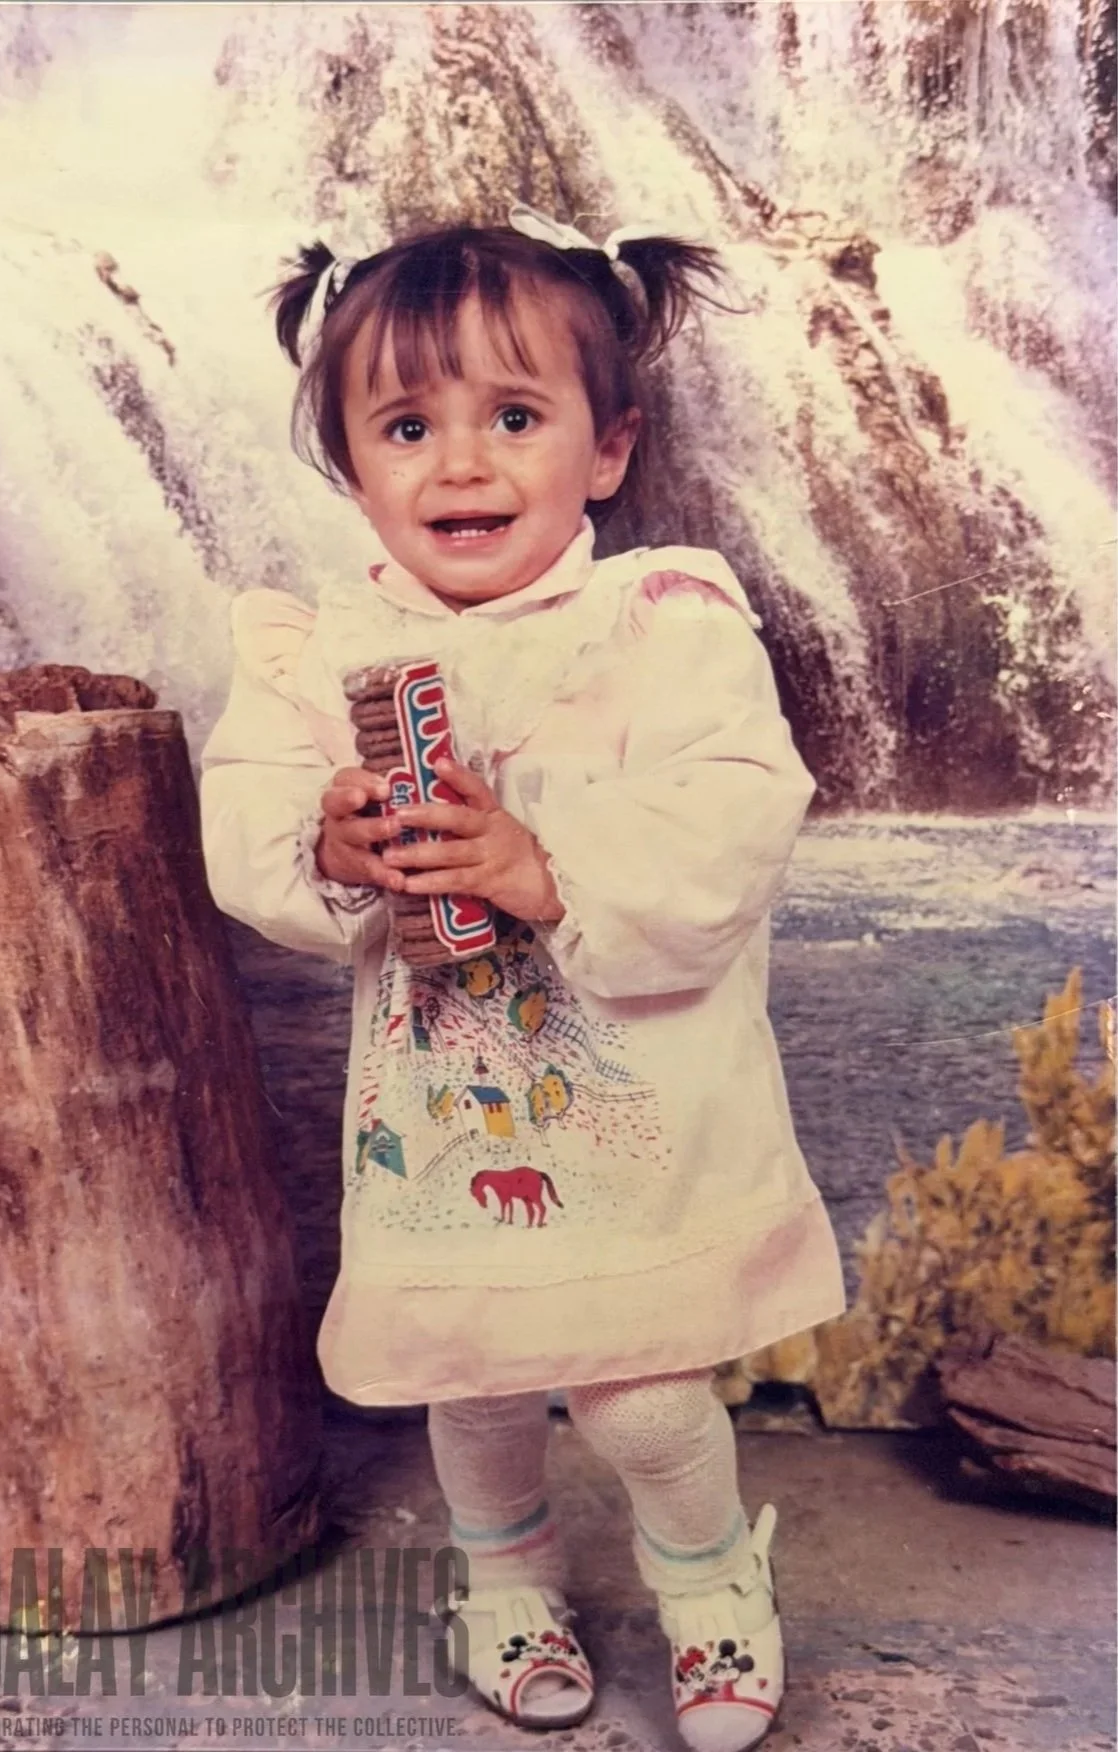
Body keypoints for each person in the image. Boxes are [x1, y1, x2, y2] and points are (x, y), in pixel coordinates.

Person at [199, 204, 845, 1752]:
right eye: (407, 425)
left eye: (513, 416)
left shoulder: (666, 621)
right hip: (442, 1109)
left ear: (606, 449)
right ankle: (504, 1580)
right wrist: (329, 839)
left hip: (635, 1091)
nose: (461, 464)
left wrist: (542, 866)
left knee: (637, 1390)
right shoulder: (314, 650)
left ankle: (706, 1589)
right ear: (355, 470)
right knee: (473, 1376)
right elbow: (246, 824)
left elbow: (734, 812)